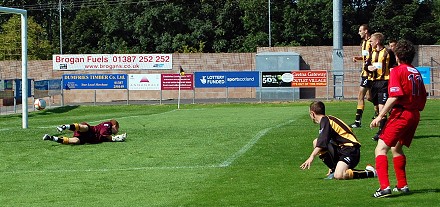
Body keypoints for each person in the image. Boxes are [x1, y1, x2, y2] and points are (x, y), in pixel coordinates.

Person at [370, 39, 427, 198]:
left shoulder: (397, 70)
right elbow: (423, 97)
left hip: (402, 114)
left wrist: (380, 116)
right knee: (396, 148)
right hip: (414, 114)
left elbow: (394, 96)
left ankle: (384, 188)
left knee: (380, 149)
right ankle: (402, 185)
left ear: (397, 55)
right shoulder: (415, 72)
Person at [300, 101, 376, 180]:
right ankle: (334, 169)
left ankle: (370, 172)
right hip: (342, 149)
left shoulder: (325, 120)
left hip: (351, 150)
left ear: (312, 113)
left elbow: (323, 141)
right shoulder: (327, 120)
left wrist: (311, 157)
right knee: (316, 141)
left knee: (339, 175)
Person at [367, 32, 396, 141]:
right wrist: (369, 68)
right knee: (376, 106)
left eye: (371, 40)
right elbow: (367, 65)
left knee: (381, 107)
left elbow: (394, 65)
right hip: (374, 83)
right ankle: (390, 118)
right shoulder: (372, 52)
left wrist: (393, 72)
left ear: (377, 41)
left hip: (384, 82)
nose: (370, 42)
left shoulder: (388, 52)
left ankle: (381, 132)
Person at [350, 24, 372, 128]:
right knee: (370, 97)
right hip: (365, 73)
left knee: (362, 96)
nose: (359, 33)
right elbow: (366, 57)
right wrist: (358, 58)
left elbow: (373, 58)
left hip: (370, 74)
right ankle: (380, 115)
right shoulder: (363, 43)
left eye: (360, 31)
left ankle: (357, 121)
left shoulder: (372, 42)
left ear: (366, 31)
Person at [43, 119, 126, 144]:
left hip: (87, 139)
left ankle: (51, 138)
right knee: (84, 127)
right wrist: (114, 138)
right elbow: (102, 133)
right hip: (90, 131)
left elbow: (105, 137)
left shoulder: (109, 133)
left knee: (75, 141)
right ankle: (65, 126)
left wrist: (114, 139)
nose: (117, 131)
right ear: (114, 126)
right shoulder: (108, 124)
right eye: (117, 129)